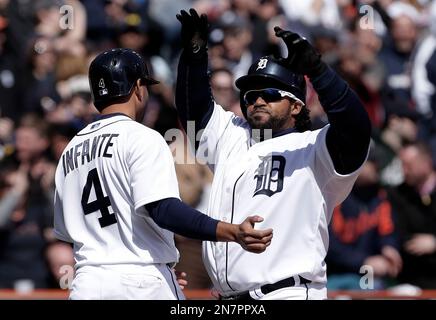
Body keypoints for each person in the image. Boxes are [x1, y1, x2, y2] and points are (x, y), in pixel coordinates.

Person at [175, 9, 371, 300]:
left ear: (296, 106)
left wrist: (318, 71)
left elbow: (356, 128)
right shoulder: (232, 135)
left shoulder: (315, 147)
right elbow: (194, 111)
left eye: (270, 92)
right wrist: (194, 54)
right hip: (230, 299)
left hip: (287, 292)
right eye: (251, 95)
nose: (258, 100)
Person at [53, 48, 273, 300]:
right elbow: (164, 210)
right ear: (137, 88)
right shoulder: (141, 136)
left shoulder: (69, 151)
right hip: (140, 283)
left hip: (87, 284)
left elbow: (66, 232)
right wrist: (232, 232)